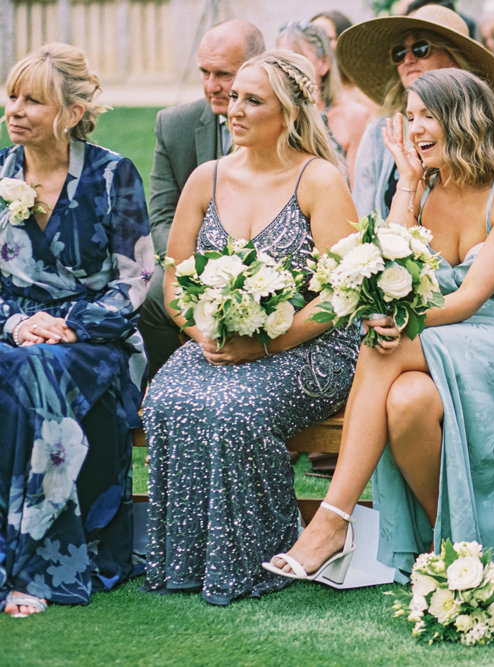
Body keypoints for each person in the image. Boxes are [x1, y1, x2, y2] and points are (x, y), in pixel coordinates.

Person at [263, 68, 494, 581]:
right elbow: (385, 267)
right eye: (410, 117)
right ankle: (457, 547)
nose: (415, 128)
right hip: (435, 339)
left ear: (464, 119)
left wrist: (400, 324)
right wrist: (408, 186)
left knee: (380, 346)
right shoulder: (422, 188)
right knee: (407, 401)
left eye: (428, 116)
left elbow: (467, 299)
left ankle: (332, 520)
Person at [142, 51, 360, 605]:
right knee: (167, 399)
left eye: (252, 100)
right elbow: (173, 280)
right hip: (219, 340)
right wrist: (205, 335)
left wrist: (265, 342)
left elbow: (341, 293)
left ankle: (257, 557)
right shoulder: (205, 178)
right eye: (234, 96)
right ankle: (186, 560)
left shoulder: (319, 180)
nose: (234, 109)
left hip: (311, 342)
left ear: (287, 115)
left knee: (235, 408)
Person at [0, 43, 153, 617]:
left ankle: (34, 566)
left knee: (36, 371)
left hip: (96, 342)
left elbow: (135, 280)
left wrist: (66, 326)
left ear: (69, 111)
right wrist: (17, 323)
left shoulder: (114, 175)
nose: (15, 110)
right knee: (22, 364)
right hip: (15, 334)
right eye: (12, 96)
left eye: (33, 100)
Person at [140, 20, 265, 377]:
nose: (212, 86)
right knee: (152, 298)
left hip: (269, 268)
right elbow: (161, 215)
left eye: (223, 74)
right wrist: (202, 271)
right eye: (204, 73)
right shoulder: (174, 124)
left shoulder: (289, 122)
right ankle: (168, 380)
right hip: (196, 263)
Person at [336, 4, 494, 222]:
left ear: (454, 59)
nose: (408, 60)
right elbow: (364, 213)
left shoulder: (487, 124)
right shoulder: (379, 130)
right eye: (399, 53)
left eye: (421, 49)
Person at [276, 21, 370, 179]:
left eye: (299, 60)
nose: (288, 71)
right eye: (280, 63)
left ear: (324, 63)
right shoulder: (274, 118)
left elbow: (360, 191)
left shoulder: (355, 117)